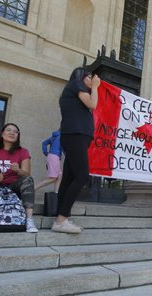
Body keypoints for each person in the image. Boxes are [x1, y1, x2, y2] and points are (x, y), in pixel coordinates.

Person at [53, 67, 100, 234]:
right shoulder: (75, 84)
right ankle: (61, 219)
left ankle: (60, 215)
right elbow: (92, 104)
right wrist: (95, 87)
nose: (92, 80)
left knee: (69, 178)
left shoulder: (74, 89)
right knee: (82, 176)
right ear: (81, 77)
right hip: (75, 135)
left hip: (76, 136)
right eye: (89, 77)